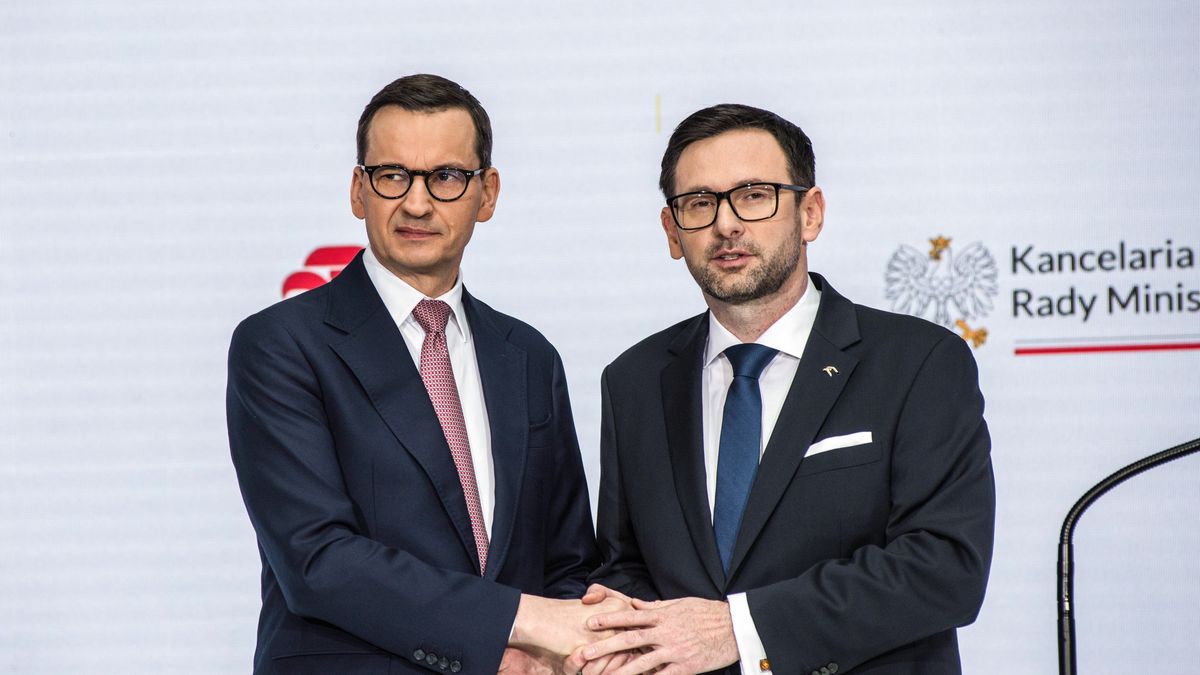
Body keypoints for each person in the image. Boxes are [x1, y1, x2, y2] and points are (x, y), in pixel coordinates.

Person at [570, 104, 995, 675]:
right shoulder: (634, 380)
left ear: (810, 213)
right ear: (672, 233)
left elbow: (945, 569)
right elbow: (624, 564)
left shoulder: (918, 362)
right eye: (699, 203)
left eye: (753, 195)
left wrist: (744, 629)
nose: (726, 224)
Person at [227, 74, 618, 675]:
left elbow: (566, 560)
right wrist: (517, 626)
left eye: (445, 177)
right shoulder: (282, 344)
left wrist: (555, 657)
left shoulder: (529, 357)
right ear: (358, 191)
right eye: (392, 176)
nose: (416, 203)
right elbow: (318, 560)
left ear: (487, 194)